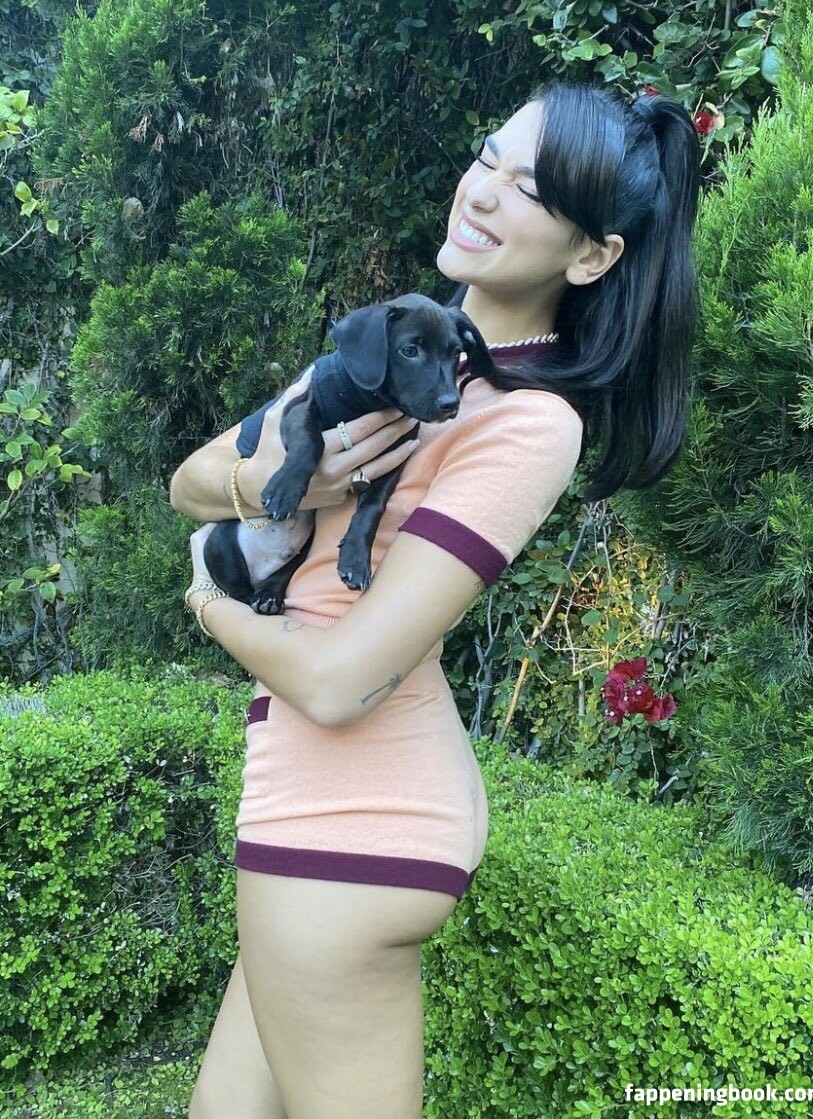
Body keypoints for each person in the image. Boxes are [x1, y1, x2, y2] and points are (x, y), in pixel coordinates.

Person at [170, 80, 700, 1119]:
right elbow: (189, 479)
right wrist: (279, 479)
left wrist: (205, 599)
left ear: (591, 256)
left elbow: (337, 682)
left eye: (531, 189)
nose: (484, 190)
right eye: (488, 156)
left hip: (350, 829)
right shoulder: (394, 346)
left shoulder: (524, 420)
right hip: (305, 807)